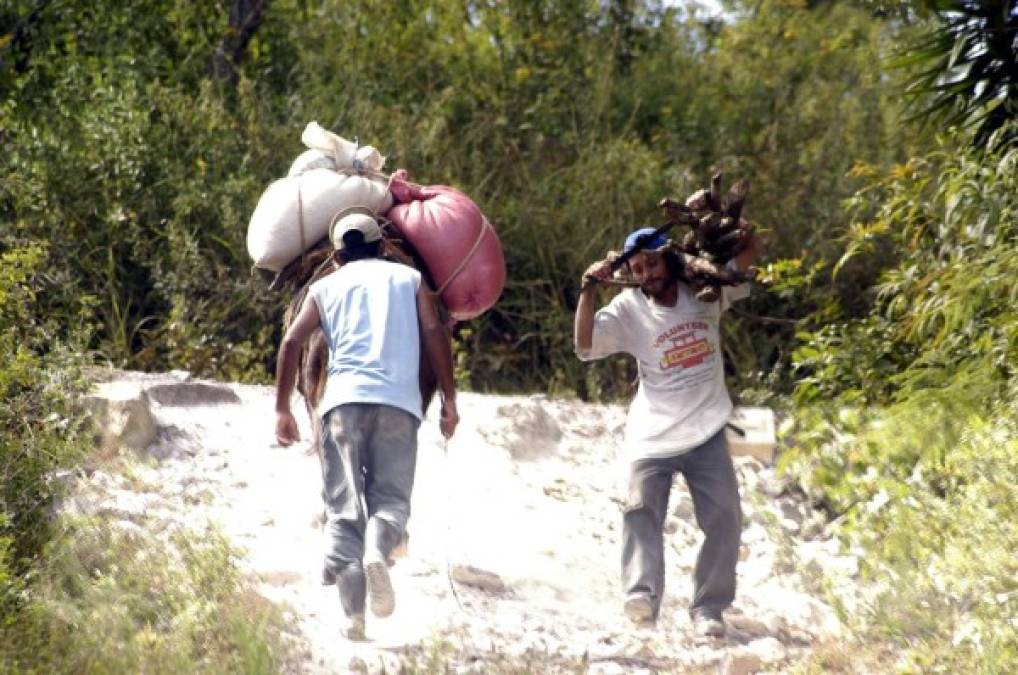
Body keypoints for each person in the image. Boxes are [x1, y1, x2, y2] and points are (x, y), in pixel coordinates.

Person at [274, 206, 459, 640]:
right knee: (391, 502)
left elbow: (292, 341)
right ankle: (379, 550)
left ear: (337, 256)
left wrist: (283, 408)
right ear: (383, 248)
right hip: (399, 405)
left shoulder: (325, 287)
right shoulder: (410, 280)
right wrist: (449, 399)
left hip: (340, 405)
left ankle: (353, 618)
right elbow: (435, 334)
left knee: (342, 509)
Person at [574, 226, 761, 639]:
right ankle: (641, 597)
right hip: (652, 434)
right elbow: (585, 346)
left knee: (725, 518)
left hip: (709, 425)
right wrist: (588, 289)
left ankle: (709, 608)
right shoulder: (627, 309)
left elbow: (749, 253)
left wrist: (732, 230)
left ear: (671, 260)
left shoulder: (706, 291)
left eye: (653, 263)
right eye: (637, 268)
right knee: (640, 511)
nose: (646, 275)